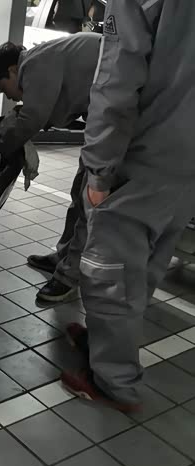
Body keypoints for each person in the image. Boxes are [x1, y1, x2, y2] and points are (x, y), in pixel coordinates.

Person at [61, 0, 195, 411]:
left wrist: (98, 171)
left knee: (109, 274)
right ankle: (106, 343)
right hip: (186, 162)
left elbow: (117, 79)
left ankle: (113, 380)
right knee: (148, 263)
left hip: (144, 156)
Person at [0, 33, 100, 302]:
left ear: (12, 70)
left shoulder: (35, 65)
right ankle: (64, 256)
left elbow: (32, 118)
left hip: (124, 120)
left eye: (5, 89)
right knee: (79, 192)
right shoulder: (41, 60)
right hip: (105, 116)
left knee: (89, 199)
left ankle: (69, 276)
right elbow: (56, 109)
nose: (11, 98)